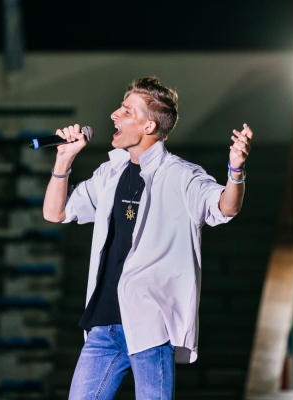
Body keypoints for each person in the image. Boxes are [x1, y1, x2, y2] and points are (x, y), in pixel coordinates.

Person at [42, 76, 253, 399]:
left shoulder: (181, 175)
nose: (114, 114)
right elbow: (55, 212)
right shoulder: (110, 172)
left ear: (149, 126)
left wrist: (235, 171)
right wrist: (64, 159)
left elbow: (225, 207)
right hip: (103, 325)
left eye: (126, 111)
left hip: (151, 326)